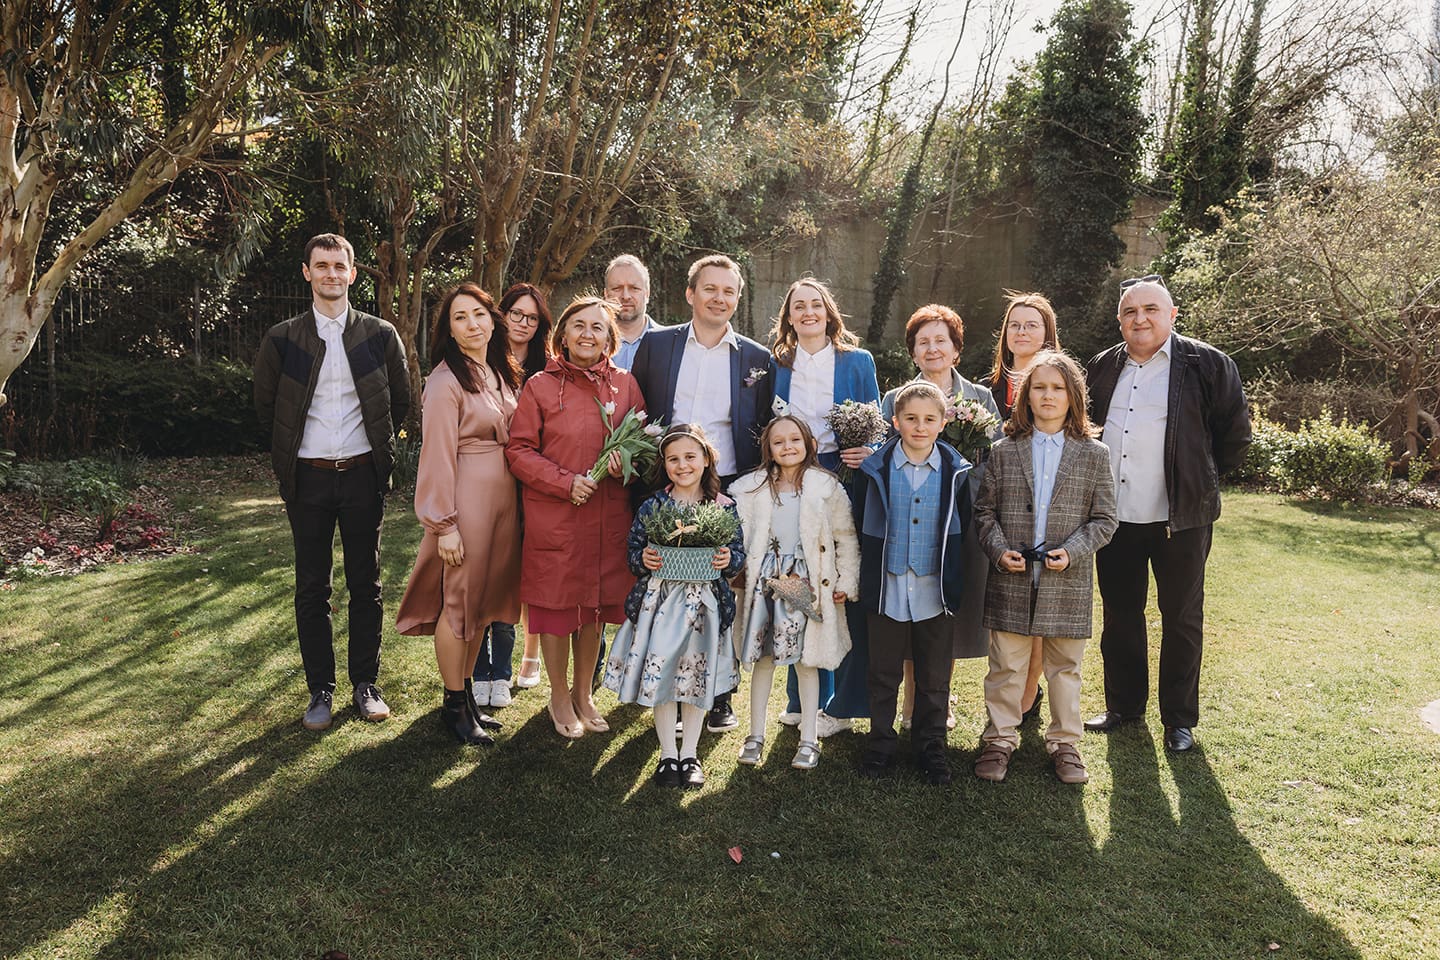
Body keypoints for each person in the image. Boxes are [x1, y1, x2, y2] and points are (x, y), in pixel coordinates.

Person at [1083, 275, 1251, 753]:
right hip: (1113, 518)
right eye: (1130, 312)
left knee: (1180, 617)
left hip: (1182, 519)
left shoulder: (1208, 364)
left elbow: (1234, 437)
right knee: (1120, 614)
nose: (1140, 319)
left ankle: (1179, 719)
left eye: (1151, 310)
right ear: (1119, 322)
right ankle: (1124, 706)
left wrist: (1198, 478)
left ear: (1172, 315)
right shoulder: (1101, 367)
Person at [253, 233, 409, 731]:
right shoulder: (282, 338)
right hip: (309, 479)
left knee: (367, 584)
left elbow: (400, 400)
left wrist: (379, 453)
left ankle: (366, 684)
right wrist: (290, 462)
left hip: (364, 475)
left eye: (339, 266)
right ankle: (320, 689)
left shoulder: (379, 335)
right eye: (321, 266)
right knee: (312, 588)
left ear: (353, 273)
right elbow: (265, 407)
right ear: (307, 273)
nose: (331, 274)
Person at [629, 253, 774, 732]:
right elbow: (642, 408)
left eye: (729, 291)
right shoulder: (657, 344)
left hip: (727, 483)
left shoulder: (755, 358)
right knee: (667, 589)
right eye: (710, 288)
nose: (720, 298)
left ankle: (718, 692)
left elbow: (759, 426)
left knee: (721, 587)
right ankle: (664, 682)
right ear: (690, 294)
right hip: (666, 480)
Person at [972, 351, 1117, 783]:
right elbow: (985, 514)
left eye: (1057, 388)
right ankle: (999, 739)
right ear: (1025, 397)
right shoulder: (1003, 450)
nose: (1048, 395)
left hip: (1066, 578)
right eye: (1040, 388)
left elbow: (1105, 519)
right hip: (1012, 576)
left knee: (1065, 669)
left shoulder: (1094, 454)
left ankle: (1065, 743)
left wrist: (1072, 550)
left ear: (1073, 396)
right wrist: (999, 551)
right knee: (1006, 666)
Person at [506, 296, 645, 740]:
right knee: (558, 609)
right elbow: (519, 451)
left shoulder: (626, 385)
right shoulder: (540, 387)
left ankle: (586, 693)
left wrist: (627, 461)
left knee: (595, 610)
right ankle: (559, 694)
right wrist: (564, 482)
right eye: (579, 326)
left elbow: (643, 445)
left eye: (598, 328)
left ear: (611, 339)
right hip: (559, 517)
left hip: (608, 518)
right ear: (562, 335)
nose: (588, 334)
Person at [395, 284, 522, 744]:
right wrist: (443, 524)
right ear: (448, 330)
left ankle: (467, 697)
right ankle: (452, 705)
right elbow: (437, 456)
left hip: (504, 508)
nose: (472, 324)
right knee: (459, 604)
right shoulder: (446, 381)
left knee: (483, 605)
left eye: (479, 315)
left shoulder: (499, 372)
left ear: (493, 319)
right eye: (460, 318)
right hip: (465, 505)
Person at [871, 304, 1002, 731]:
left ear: (956, 350)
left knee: (944, 609)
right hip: (908, 520)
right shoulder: (894, 399)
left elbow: (994, 457)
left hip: (963, 515)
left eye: (940, 340)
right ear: (912, 351)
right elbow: (884, 455)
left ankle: (936, 698)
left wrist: (963, 480)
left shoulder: (979, 398)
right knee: (906, 601)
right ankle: (911, 702)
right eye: (922, 341)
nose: (931, 348)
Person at [766, 277, 879, 739]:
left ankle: (841, 701)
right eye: (799, 306)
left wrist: (866, 449)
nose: (808, 312)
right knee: (797, 581)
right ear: (789, 317)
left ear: (829, 311)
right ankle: (800, 697)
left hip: (843, 475)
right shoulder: (776, 364)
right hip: (792, 475)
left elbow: (874, 423)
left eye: (816, 304)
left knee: (839, 584)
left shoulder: (857, 361)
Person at [603, 425, 745, 788]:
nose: (682, 465)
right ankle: (668, 754)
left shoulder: (723, 506)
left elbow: (737, 556)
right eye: (673, 459)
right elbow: (634, 551)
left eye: (690, 457)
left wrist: (727, 558)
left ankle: (691, 754)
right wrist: (645, 558)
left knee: (696, 678)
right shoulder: (654, 505)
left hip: (705, 610)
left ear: (706, 459)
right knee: (663, 676)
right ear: (664, 464)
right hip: (659, 605)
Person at [852, 381, 973, 785]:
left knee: (934, 675)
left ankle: (930, 746)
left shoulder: (956, 473)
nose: (920, 427)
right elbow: (859, 523)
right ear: (895, 421)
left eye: (929, 419)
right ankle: (881, 743)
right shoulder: (875, 470)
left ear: (943, 422)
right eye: (910, 419)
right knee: (883, 671)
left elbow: (964, 526)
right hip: (887, 585)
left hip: (934, 588)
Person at [731, 415, 859, 770]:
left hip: (806, 583)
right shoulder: (750, 488)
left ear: (809, 445)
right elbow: (738, 539)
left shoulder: (826, 487)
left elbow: (846, 537)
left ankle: (808, 738)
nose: (787, 447)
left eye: (794, 440)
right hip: (765, 582)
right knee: (765, 659)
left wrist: (846, 581)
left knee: (807, 659)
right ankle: (755, 735)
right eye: (778, 442)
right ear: (768, 450)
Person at [984, 292, 1063, 723]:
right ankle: (1003, 692)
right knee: (1003, 612)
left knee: (1035, 613)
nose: (1022, 331)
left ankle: (1026, 701)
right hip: (997, 511)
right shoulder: (986, 390)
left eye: (1032, 324)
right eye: (1015, 324)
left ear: (1047, 333)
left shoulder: (1061, 384)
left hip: (1045, 512)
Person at [476, 282, 553, 700]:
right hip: (487, 479)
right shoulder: (483, 362)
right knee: (484, 571)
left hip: (533, 482)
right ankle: (479, 668)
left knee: (516, 574)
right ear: (501, 315)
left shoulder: (548, 369)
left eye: (532, 317)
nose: (523, 323)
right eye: (516, 314)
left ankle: (508, 665)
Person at [606, 254, 660, 370]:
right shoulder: (592, 343)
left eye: (634, 288)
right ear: (606, 295)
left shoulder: (668, 344)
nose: (626, 296)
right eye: (617, 288)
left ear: (647, 294)